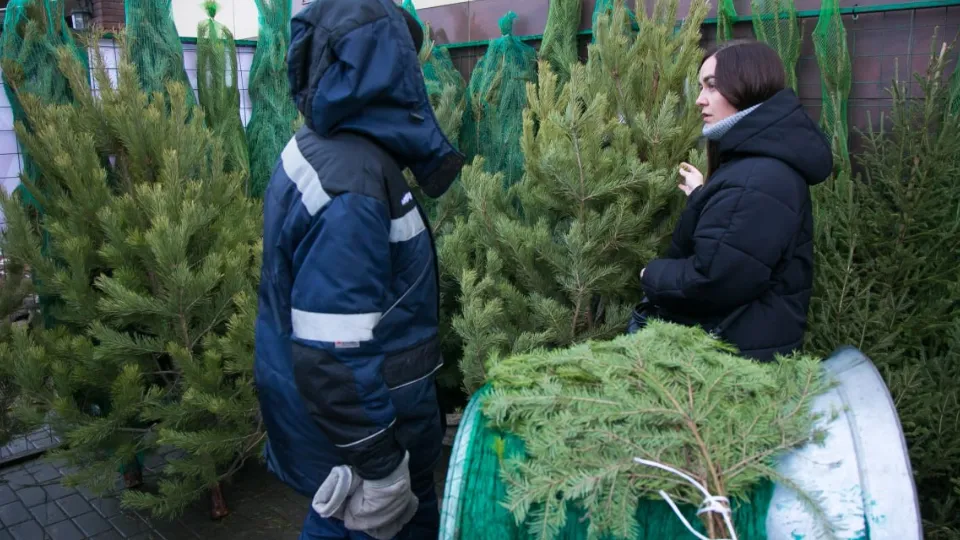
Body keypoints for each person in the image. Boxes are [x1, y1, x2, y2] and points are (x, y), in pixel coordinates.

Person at [252, 0, 465, 538]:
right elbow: (332, 353)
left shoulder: (323, 145)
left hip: (354, 443)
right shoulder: (355, 184)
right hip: (370, 456)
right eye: (408, 62)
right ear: (384, 66)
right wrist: (382, 467)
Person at [635, 40, 833, 362]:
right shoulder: (757, 163)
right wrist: (703, 195)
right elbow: (737, 242)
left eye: (711, 86)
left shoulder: (759, 178)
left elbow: (713, 281)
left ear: (747, 85)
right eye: (701, 87)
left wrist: (651, 274)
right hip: (742, 345)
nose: (699, 99)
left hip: (732, 358)